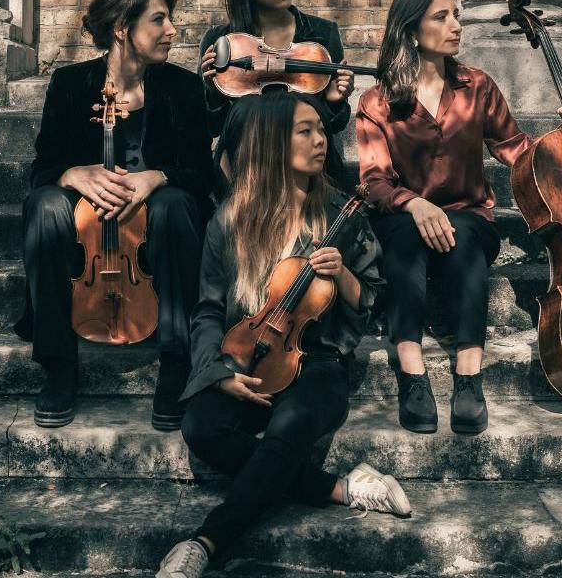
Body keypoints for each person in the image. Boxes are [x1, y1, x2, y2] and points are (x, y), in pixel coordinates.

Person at [155, 93, 410, 578]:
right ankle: (344, 489)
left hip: (316, 361)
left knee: (285, 432)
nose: (321, 141)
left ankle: (204, 544)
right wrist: (217, 374)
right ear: (274, 142)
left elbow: (372, 297)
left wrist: (344, 278)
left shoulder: (342, 212)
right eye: (305, 131)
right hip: (248, 355)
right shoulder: (230, 219)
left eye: (321, 130)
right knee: (201, 427)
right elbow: (208, 311)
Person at [355, 0, 562, 436]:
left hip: (468, 217)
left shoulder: (477, 86)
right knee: (404, 241)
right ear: (410, 30)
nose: (455, 26)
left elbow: (519, 152)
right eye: (440, 17)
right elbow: (374, 183)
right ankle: (412, 375)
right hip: (405, 220)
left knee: (465, 238)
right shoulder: (377, 102)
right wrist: (415, 204)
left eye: (456, 16)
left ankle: (469, 377)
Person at [19, 0, 214, 432]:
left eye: (171, 19)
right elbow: (42, 168)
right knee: (44, 207)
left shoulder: (182, 89)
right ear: (123, 27)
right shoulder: (70, 84)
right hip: (90, 240)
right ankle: (58, 363)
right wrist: (72, 174)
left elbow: (202, 175)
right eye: (159, 20)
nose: (172, 30)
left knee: (173, 205)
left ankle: (177, 362)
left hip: (158, 240)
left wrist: (157, 176)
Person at [198, 0, 356, 189]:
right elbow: (214, 128)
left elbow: (334, 125)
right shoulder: (222, 40)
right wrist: (211, 93)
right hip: (248, 167)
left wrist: (334, 103)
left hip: (309, 169)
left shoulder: (322, 34)